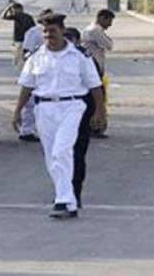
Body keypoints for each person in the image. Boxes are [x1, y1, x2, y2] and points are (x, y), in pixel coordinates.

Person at [13, 13, 106, 219]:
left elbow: (95, 86)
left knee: (61, 151)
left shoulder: (80, 56)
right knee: (51, 156)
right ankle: (69, 201)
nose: (49, 35)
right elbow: (27, 86)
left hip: (72, 106)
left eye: (52, 31)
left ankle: (62, 200)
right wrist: (17, 111)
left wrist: (100, 112)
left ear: (62, 31)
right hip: (45, 109)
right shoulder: (36, 56)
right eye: (45, 32)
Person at [64, 27, 102, 209]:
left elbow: (96, 87)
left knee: (77, 154)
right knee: (59, 156)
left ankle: (74, 192)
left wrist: (98, 113)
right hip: (55, 114)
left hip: (80, 112)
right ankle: (62, 192)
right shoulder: (47, 56)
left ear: (77, 41)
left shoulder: (84, 58)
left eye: (69, 40)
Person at [18, 8, 53, 142]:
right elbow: (27, 52)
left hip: (50, 70)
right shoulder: (34, 32)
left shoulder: (55, 31)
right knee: (31, 102)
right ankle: (27, 130)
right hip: (37, 70)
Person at [82, 9, 114, 139]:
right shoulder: (95, 30)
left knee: (94, 99)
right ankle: (94, 126)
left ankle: (94, 126)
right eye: (109, 21)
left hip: (94, 68)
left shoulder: (92, 29)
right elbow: (109, 44)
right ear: (101, 18)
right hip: (94, 69)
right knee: (96, 100)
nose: (110, 25)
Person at [1, 2, 35, 69]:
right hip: (27, 40)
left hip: (19, 40)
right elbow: (33, 29)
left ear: (18, 9)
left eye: (14, 9)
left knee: (18, 58)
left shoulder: (16, 16)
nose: (13, 11)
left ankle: (22, 69)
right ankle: (24, 68)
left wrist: (8, 8)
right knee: (23, 57)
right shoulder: (28, 17)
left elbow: (3, 16)